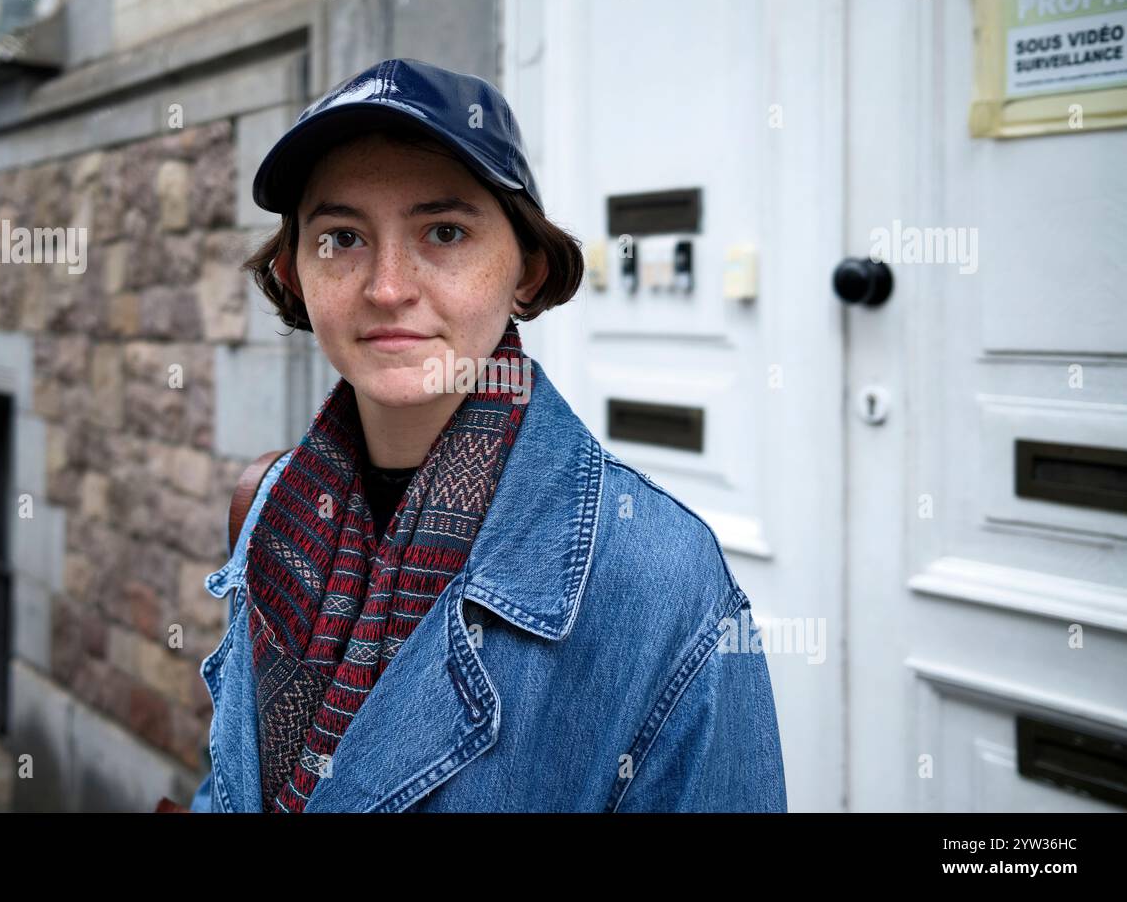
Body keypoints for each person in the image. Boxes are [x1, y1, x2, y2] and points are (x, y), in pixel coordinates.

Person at [190, 58, 786, 813]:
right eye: (342, 238)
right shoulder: (278, 502)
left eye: (444, 231)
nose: (387, 287)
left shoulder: (658, 574)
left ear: (527, 271)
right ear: (296, 273)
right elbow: (233, 780)